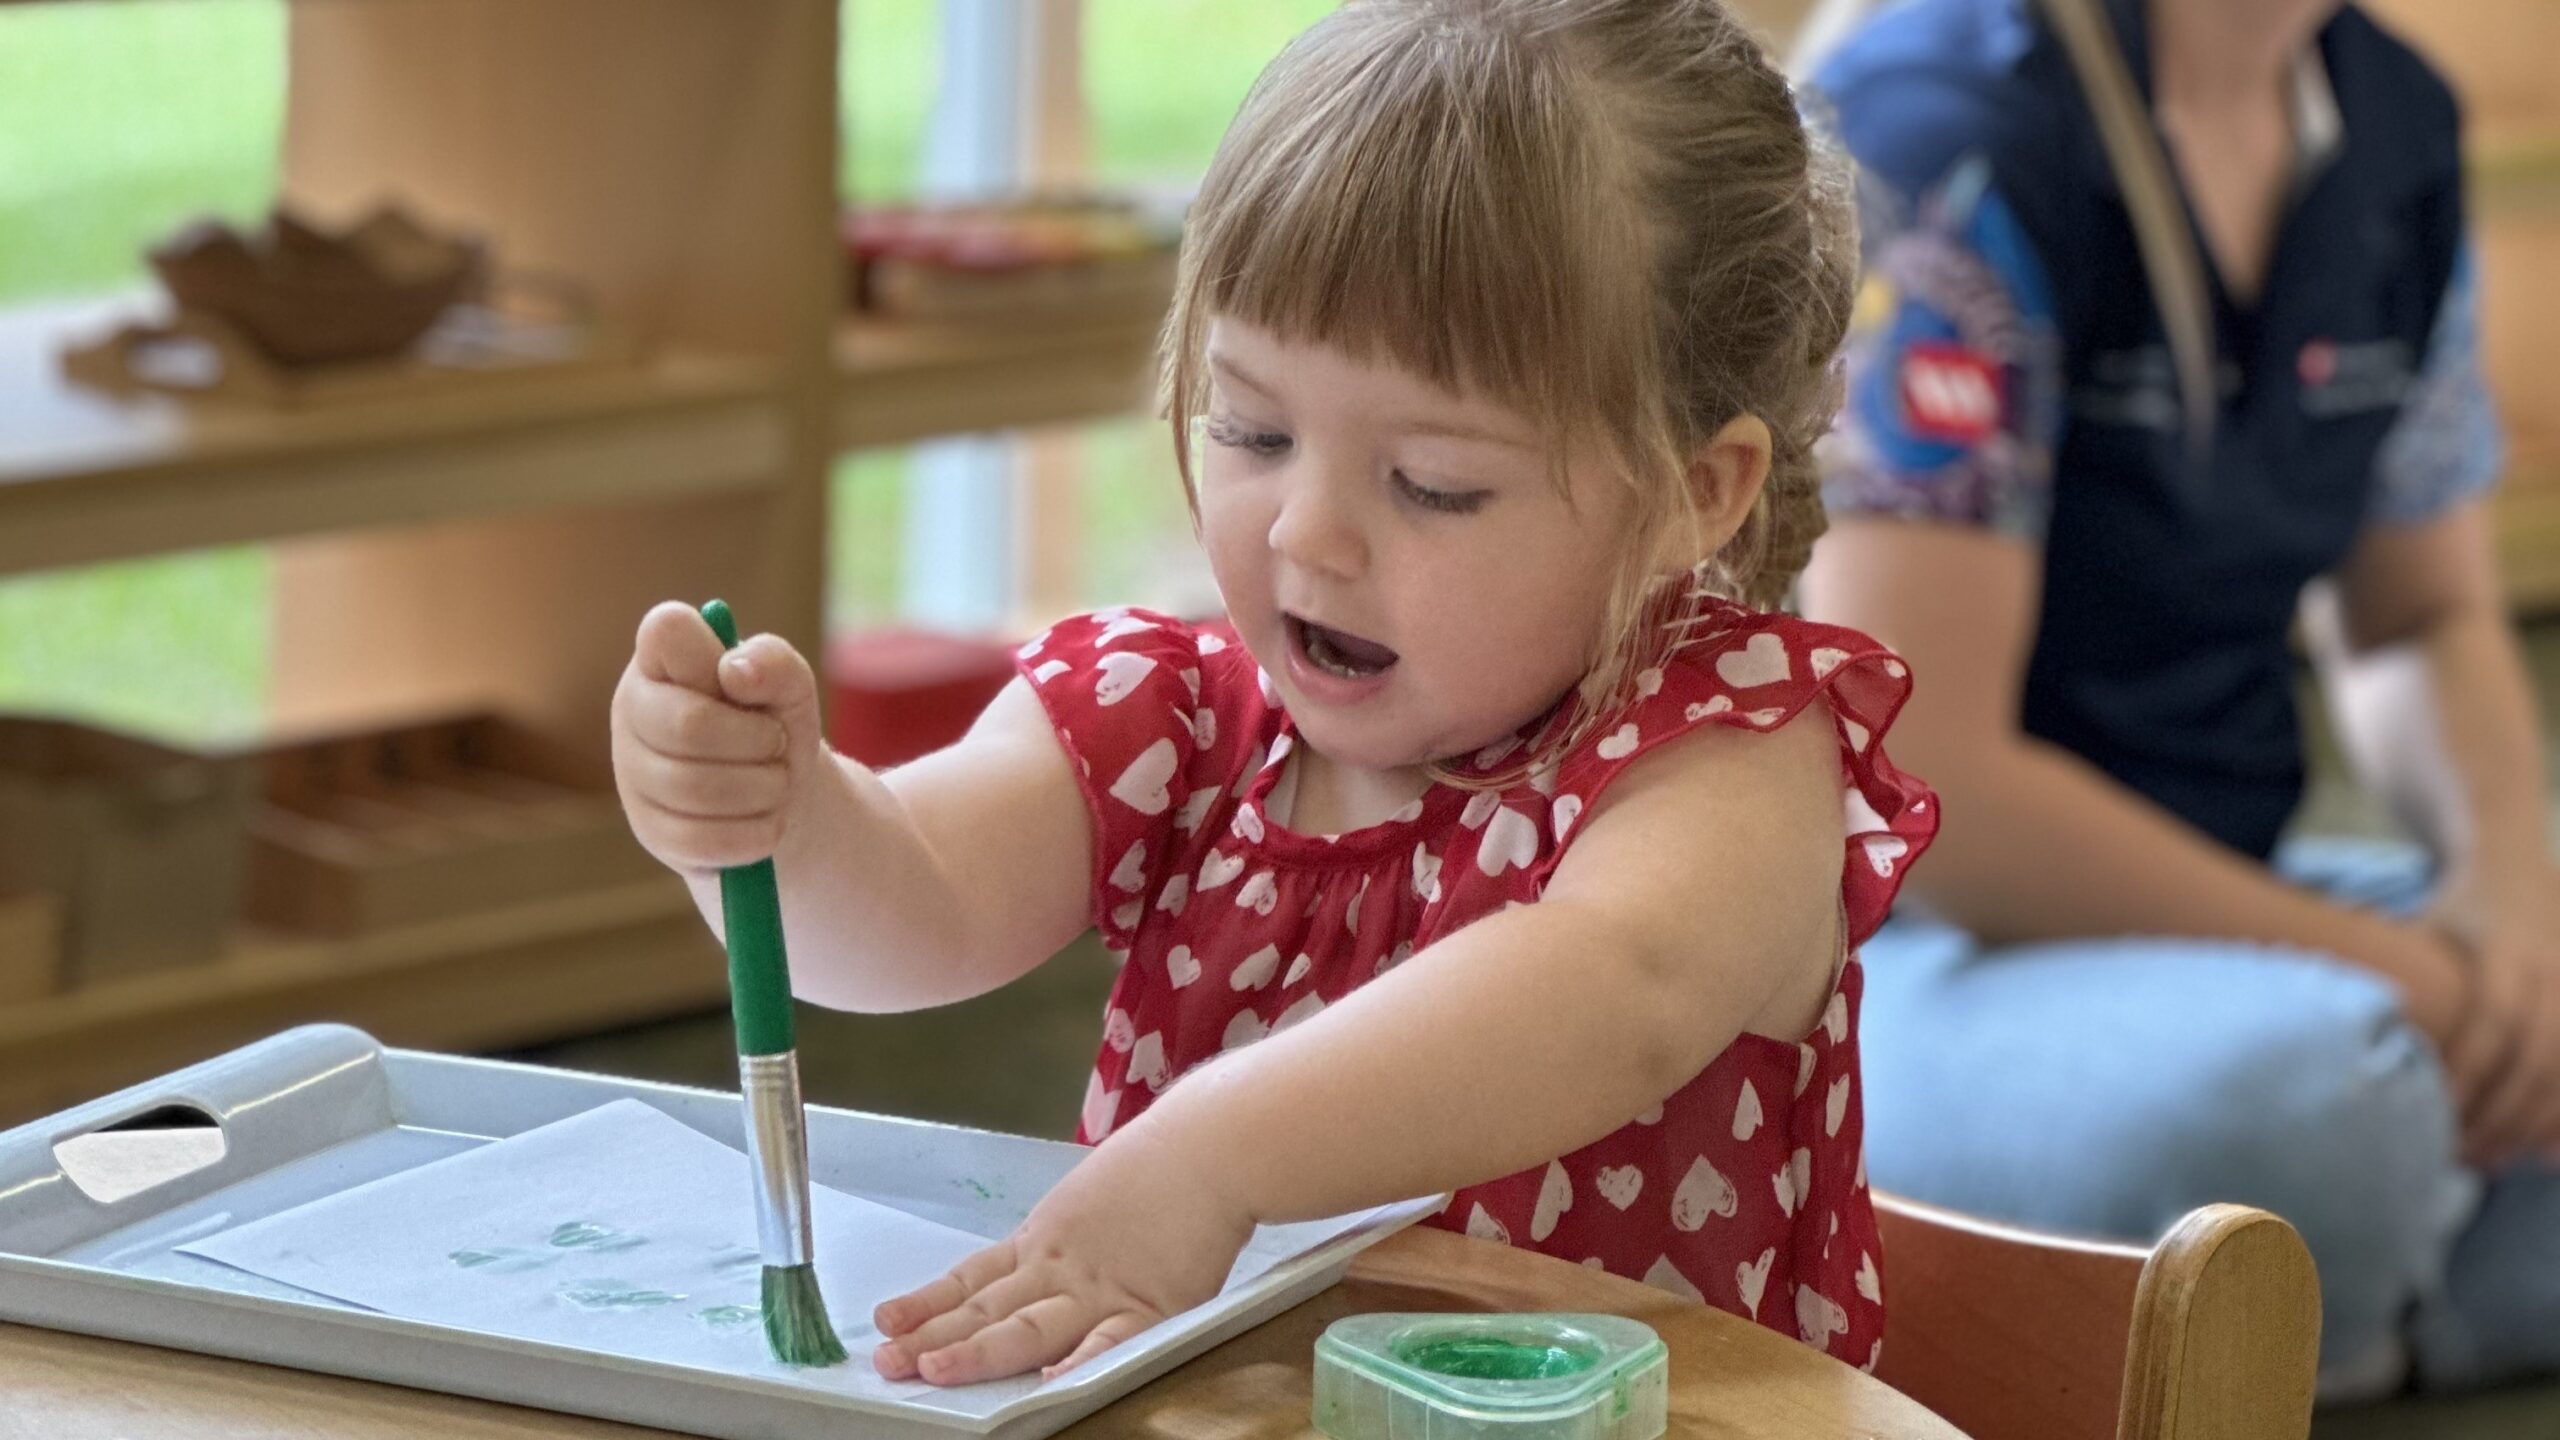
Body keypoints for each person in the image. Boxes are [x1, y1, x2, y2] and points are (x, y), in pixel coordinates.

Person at [612, 0, 1936, 1388]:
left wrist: (1213, 1157)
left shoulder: (1731, 750)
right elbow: (911, 904)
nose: (1307, 533)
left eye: (1435, 484)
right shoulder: (1176, 718)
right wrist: (772, 820)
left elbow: (1615, 990)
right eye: (1252, 428)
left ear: (1691, 495)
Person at [1798, 0, 2560, 1398]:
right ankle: (2376, 1282)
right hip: (1878, 957)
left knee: (2447, 1042)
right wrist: (2401, 977)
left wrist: (2513, 923)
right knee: (2317, 1108)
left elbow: (2418, 621)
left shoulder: (2396, 126)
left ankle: (2290, 1326)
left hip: (2227, 909)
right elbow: (1928, 781)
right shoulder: (1941, 130)